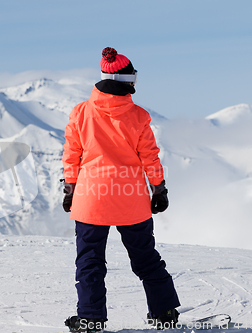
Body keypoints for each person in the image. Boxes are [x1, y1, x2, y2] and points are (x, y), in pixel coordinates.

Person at [61, 47, 180, 332]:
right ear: (127, 80)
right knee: (146, 259)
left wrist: (69, 188)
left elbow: (71, 154)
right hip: (131, 200)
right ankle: (163, 313)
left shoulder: (81, 112)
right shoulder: (138, 116)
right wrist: (159, 190)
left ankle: (90, 318)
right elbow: (149, 156)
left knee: (89, 262)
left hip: (91, 199)